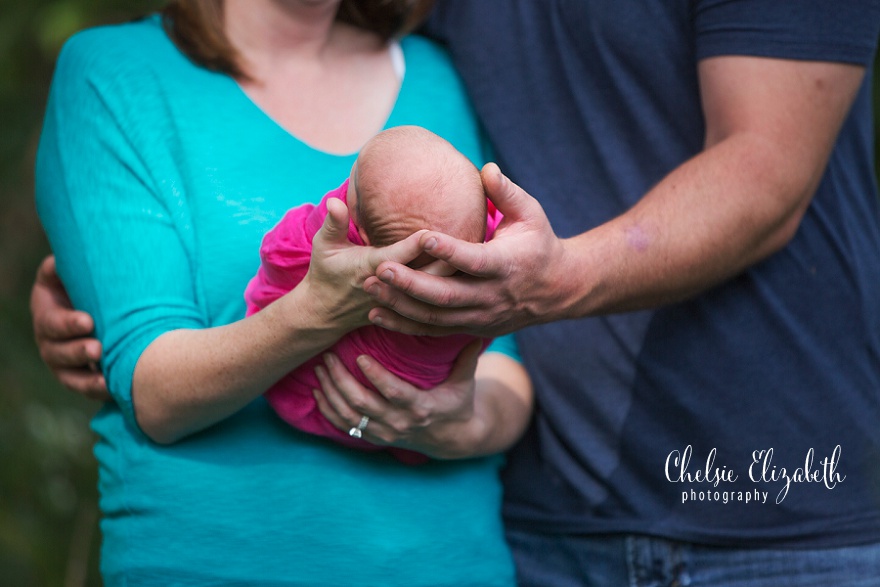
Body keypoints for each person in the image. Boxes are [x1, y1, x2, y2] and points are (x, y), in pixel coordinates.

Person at [35, 1, 880, 585]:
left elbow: (767, 172)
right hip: (539, 527)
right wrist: (104, 292)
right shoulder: (120, 74)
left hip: (771, 506)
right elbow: (152, 359)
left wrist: (471, 400)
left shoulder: (431, 74)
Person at [31, 0, 532, 585]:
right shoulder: (114, 73)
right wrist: (317, 309)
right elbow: (154, 394)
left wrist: (453, 425)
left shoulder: (436, 75)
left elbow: (504, 365)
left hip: (450, 565)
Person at [245, 125, 503, 463]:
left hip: (315, 402)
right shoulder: (492, 259)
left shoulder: (329, 232)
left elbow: (279, 252)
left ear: (360, 231)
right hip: (416, 435)